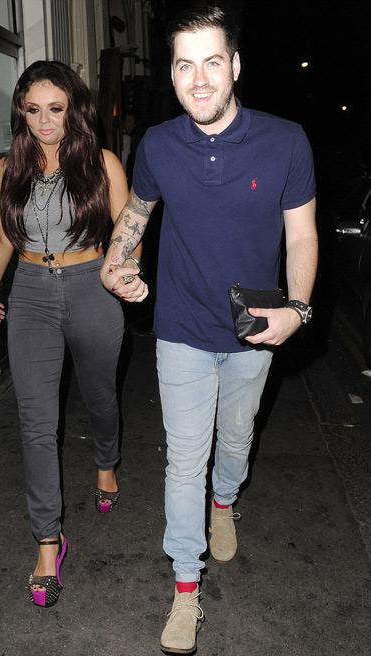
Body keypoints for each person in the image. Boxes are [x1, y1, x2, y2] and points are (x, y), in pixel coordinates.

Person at [100, 6, 318, 653]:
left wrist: (298, 309)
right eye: (184, 65)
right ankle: (186, 588)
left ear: (235, 66)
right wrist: (115, 263)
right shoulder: (159, 145)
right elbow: (136, 215)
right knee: (183, 460)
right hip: (181, 330)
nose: (198, 80)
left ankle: (226, 501)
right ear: (171, 73)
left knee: (236, 444)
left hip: (254, 330)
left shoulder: (286, 142)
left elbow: (302, 236)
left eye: (212, 62)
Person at [0, 60, 147, 609]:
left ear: (74, 109)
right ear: (22, 113)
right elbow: (3, 236)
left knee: (100, 397)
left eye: (55, 108)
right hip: (30, 290)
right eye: (33, 110)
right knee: (36, 421)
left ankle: (106, 461)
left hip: (91, 286)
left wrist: (126, 273)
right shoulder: (7, 167)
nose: (44, 120)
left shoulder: (102, 163)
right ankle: (48, 543)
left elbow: (128, 231)